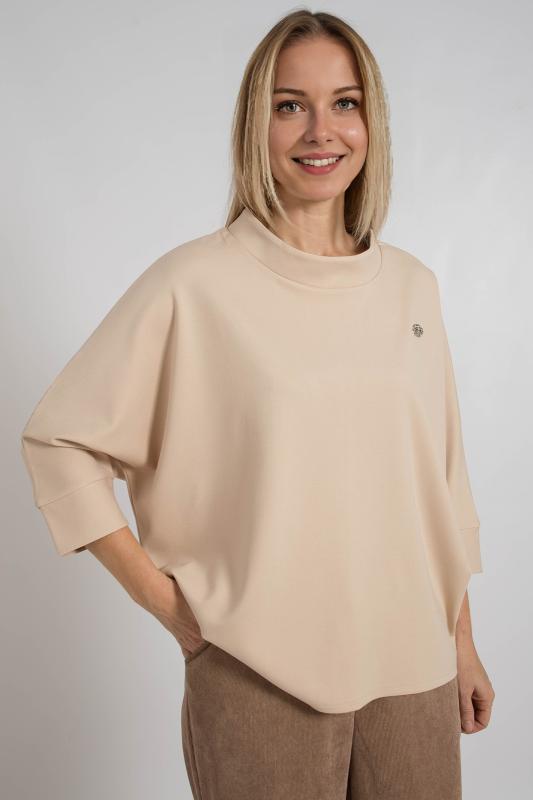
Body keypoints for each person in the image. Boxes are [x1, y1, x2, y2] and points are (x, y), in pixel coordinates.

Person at [20, 8, 495, 799]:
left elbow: (435, 485)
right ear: (255, 123)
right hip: (258, 675)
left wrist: (462, 642)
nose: (320, 131)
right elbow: (58, 440)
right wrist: (167, 605)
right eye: (289, 105)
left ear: (371, 121)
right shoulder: (194, 283)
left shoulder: (412, 287)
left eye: (344, 103)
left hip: (416, 668)